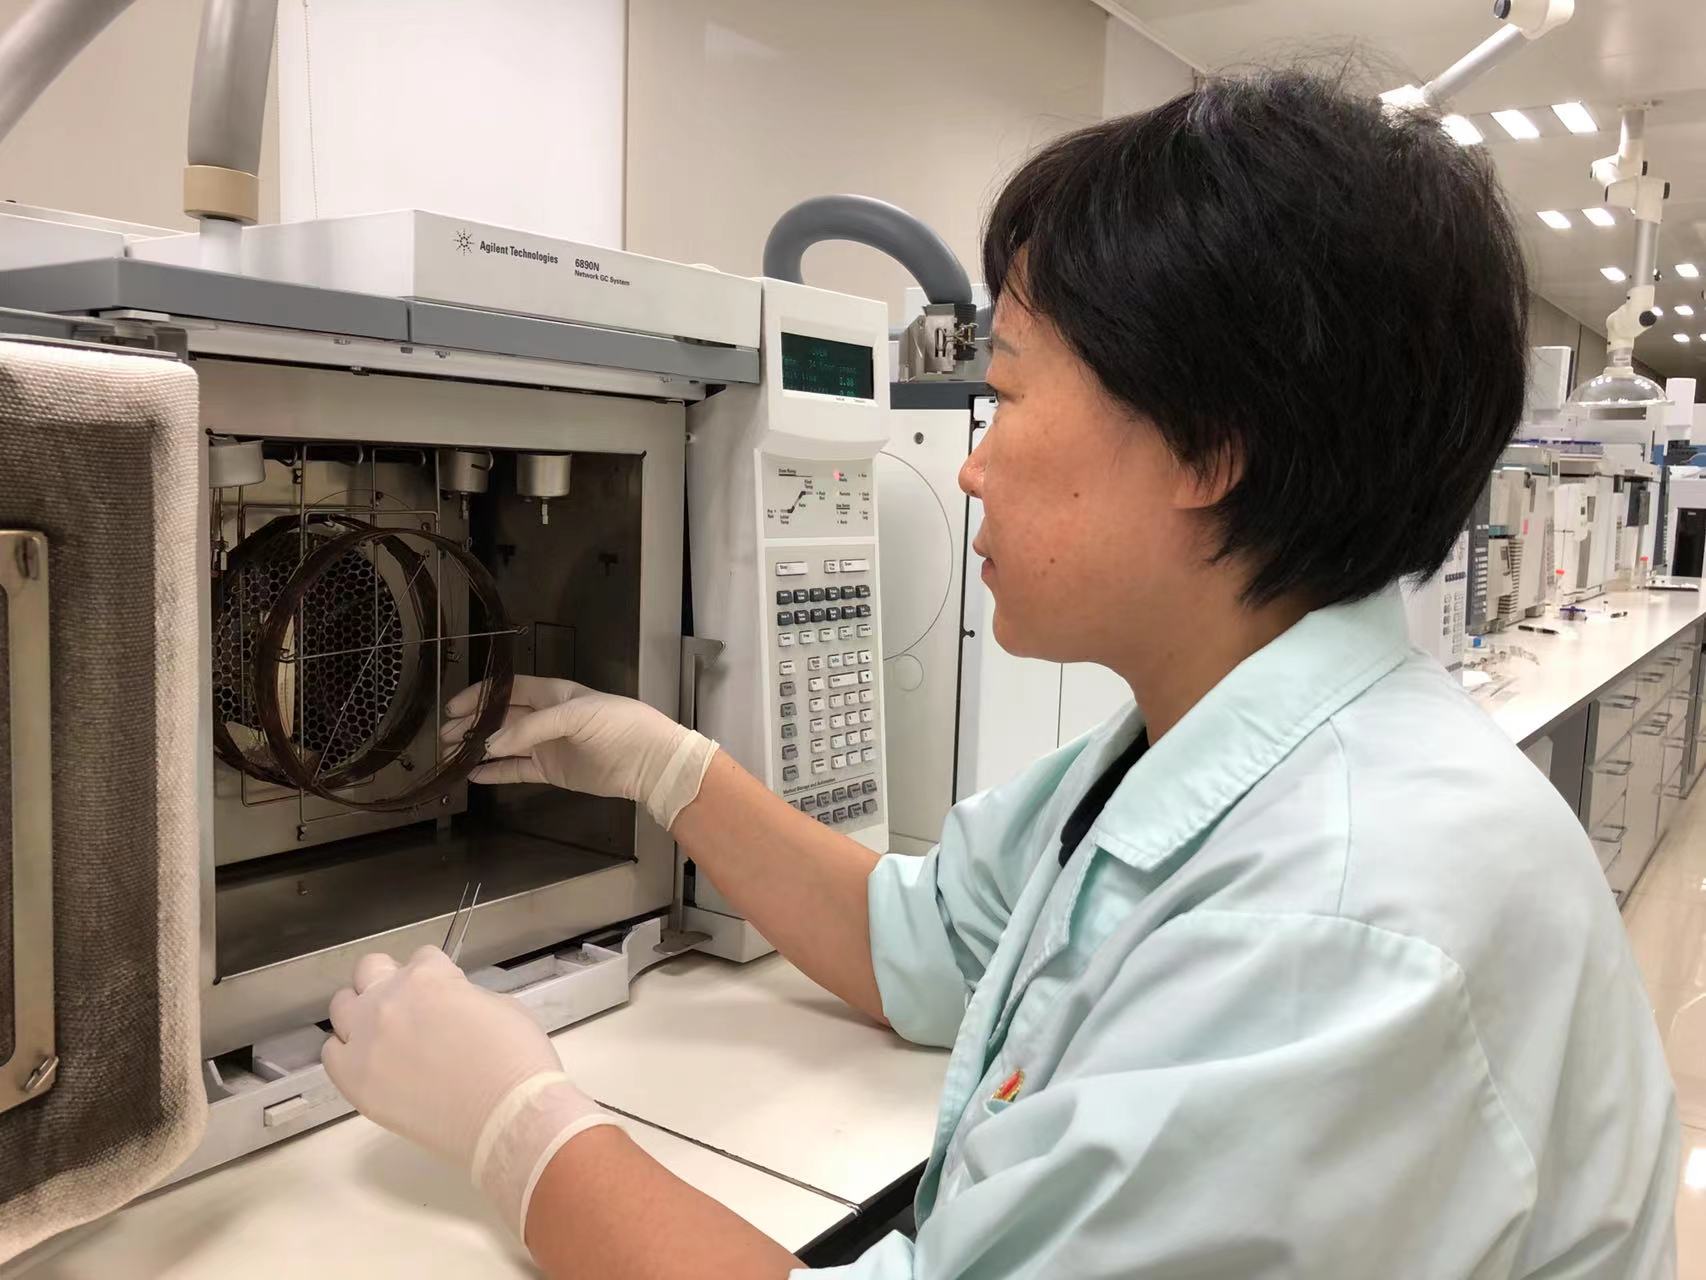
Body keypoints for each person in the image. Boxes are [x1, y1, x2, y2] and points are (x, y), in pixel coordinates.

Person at [321, 68, 1679, 1278]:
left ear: (1212, 445)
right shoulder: (1204, 749)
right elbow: (917, 945)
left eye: (1010, 396)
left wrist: (525, 1137)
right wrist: (667, 769)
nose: (968, 465)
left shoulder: (1333, 931)